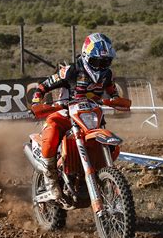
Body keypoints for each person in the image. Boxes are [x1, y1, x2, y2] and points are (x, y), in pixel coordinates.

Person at [31, 32, 121, 200]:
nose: (101, 66)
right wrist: (37, 103)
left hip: (91, 117)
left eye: (106, 62)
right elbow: (42, 87)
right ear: (86, 56)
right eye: (97, 61)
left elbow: (112, 92)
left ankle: (104, 178)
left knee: (111, 146)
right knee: (51, 133)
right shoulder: (71, 71)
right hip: (66, 113)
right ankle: (50, 179)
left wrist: (115, 100)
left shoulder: (107, 75)